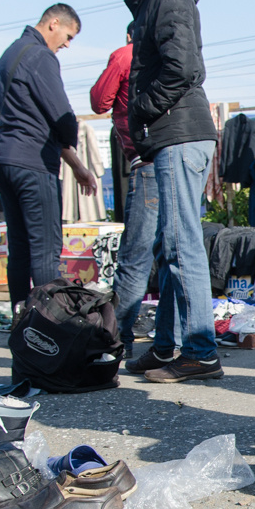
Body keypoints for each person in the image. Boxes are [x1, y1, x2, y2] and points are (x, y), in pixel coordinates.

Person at [109, 0, 222, 384]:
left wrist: (143, 114)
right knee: (168, 245)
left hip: (178, 130)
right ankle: (166, 346)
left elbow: (184, 69)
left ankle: (201, 350)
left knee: (181, 244)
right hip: (169, 134)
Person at [0, 5, 100, 306]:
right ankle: (47, 332)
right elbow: (61, 115)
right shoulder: (40, 56)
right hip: (33, 163)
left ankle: (22, 326)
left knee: (21, 248)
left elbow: (18, 114)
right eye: (68, 36)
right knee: (45, 249)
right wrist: (70, 136)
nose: (66, 44)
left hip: (6, 159)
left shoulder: (10, 54)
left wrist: (76, 165)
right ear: (53, 24)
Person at [90, 25, 157, 364]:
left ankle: (119, 341)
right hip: (177, 159)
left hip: (146, 162)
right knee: (173, 254)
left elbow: (99, 100)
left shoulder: (127, 54)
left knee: (134, 257)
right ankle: (179, 344)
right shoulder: (170, 54)